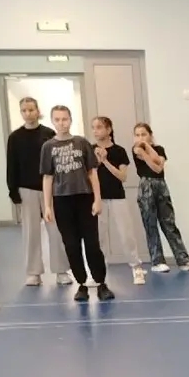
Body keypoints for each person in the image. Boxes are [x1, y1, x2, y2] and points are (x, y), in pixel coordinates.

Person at [40, 104, 111, 302]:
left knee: (92, 243)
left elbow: (92, 172)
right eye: (57, 119)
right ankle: (81, 283)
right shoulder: (48, 147)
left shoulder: (81, 142)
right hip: (62, 200)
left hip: (84, 197)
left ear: (70, 120)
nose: (61, 123)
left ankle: (101, 282)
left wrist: (97, 199)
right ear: (52, 121)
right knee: (71, 244)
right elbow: (48, 177)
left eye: (65, 119)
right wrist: (47, 205)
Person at [5, 96, 66, 287]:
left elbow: (57, 162)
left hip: (50, 189)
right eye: (24, 110)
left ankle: (61, 270)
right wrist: (12, 189)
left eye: (31, 109)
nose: (28, 113)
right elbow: (11, 165)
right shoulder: (15, 137)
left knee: (56, 230)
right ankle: (33, 272)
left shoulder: (48, 134)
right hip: (26, 188)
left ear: (38, 111)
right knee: (31, 232)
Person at [133, 122, 189, 273]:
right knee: (150, 224)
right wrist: (146, 153)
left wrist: (147, 147)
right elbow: (154, 166)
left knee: (169, 223)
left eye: (143, 134)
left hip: (161, 186)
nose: (140, 138)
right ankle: (157, 261)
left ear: (150, 135)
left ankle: (183, 260)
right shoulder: (136, 150)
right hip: (146, 186)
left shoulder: (159, 149)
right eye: (137, 135)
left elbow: (159, 164)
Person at [91, 116, 150, 286]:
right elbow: (89, 173)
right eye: (94, 127)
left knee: (126, 234)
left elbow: (123, 176)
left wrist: (105, 161)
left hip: (117, 197)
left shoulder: (119, 151)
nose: (96, 131)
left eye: (99, 127)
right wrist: (97, 161)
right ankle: (98, 272)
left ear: (109, 129)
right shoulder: (90, 149)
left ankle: (136, 267)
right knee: (98, 236)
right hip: (98, 198)